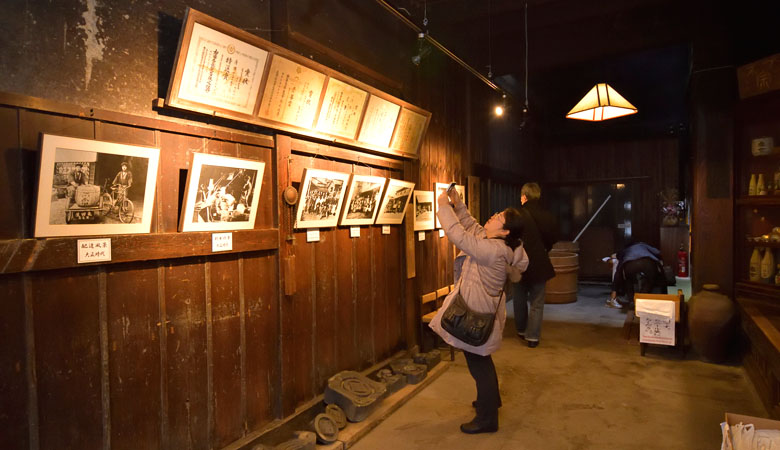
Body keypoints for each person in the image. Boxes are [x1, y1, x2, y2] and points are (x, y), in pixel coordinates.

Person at [429, 187, 529, 434]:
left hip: (476, 313)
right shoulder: (496, 242)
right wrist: (458, 204)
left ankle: (487, 419)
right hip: (481, 309)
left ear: (505, 231)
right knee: (481, 359)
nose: (493, 216)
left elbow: (458, 235)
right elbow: (470, 226)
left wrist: (442, 204)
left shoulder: (493, 250)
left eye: (498, 218)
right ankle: (490, 401)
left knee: (479, 363)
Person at [512, 182, 558, 348]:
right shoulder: (548, 216)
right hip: (539, 262)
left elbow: (510, 239)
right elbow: (553, 239)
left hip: (519, 263)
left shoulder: (517, 215)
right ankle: (533, 337)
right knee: (537, 302)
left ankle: (521, 330)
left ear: (524, 197)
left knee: (519, 297)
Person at [606, 241, 665, 308]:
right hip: (647, 261)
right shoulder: (643, 245)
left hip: (630, 263)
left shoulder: (626, 250)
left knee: (628, 280)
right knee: (650, 280)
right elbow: (657, 252)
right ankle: (640, 298)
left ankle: (632, 301)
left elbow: (618, 256)